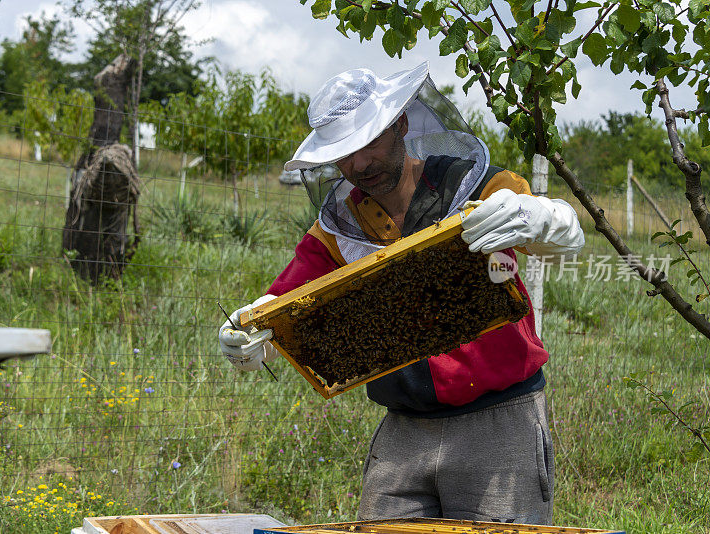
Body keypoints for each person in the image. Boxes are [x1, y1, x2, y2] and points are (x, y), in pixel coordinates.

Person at [218, 63, 584, 524]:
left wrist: (539, 216)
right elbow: (281, 309)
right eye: (344, 153)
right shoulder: (338, 229)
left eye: (369, 142)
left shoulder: (476, 186)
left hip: (500, 423)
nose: (359, 165)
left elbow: (565, 236)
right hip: (403, 431)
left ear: (402, 126)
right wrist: (246, 334)